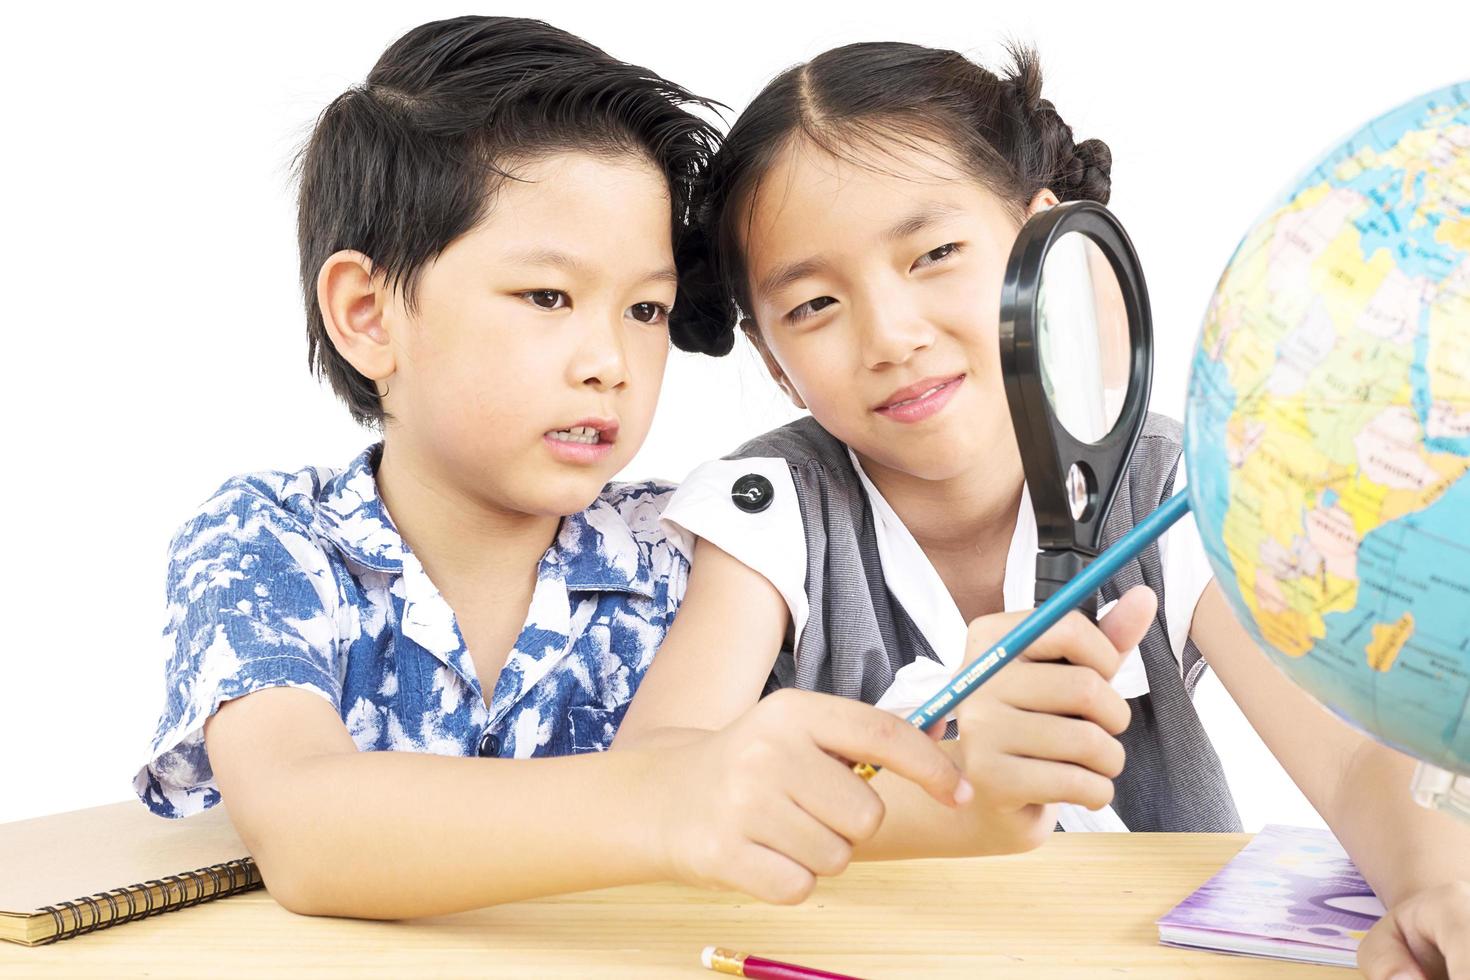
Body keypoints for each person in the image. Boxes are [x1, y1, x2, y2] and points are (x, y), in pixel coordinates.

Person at [615, 41, 1470, 978]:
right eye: (815, 304)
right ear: (774, 362)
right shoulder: (770, 512)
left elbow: (1353, 764)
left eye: (935, 254)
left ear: (1047, 247)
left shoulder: (1168, 481)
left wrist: (1436, 887)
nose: (892, 336)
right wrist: (946, 776)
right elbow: (658, 778)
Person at [132, 18, 970, 919]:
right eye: (547, 297)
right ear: (368, 314)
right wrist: (666, 794)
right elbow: (305, 826)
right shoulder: (268, 545)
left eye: (646, 309)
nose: (608, 360)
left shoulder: (709, 547)